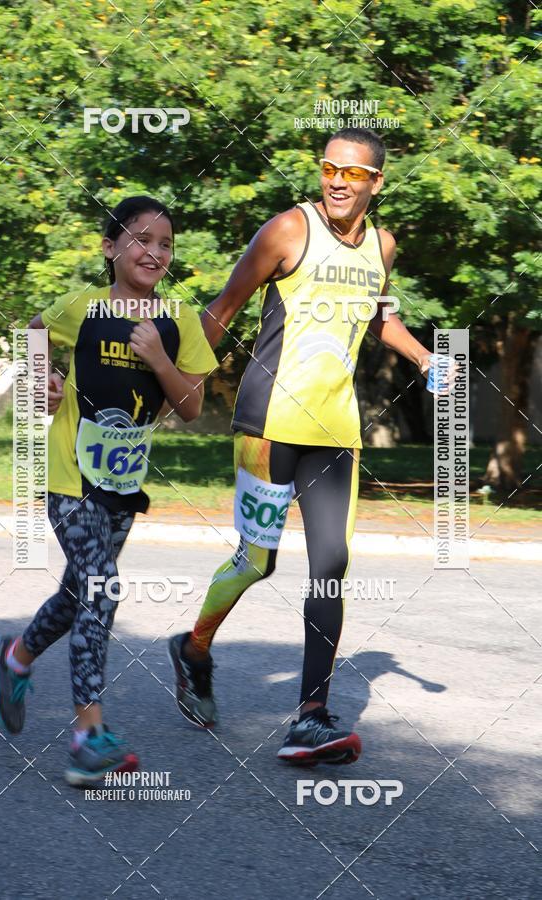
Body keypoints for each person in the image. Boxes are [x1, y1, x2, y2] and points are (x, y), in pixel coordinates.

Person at [168, 128, 434, 764]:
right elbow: (223, 307)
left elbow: (378, 316)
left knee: (332, 564)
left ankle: (310, 715)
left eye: (353, 173)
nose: (338, 180)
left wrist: (427, 357)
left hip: (336, 431)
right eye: (329, 168)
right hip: (266, 422)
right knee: (257, 562)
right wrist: (172, 381)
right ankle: (195, 647)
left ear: (376, 183)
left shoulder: (382, 245)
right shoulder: (288, 230)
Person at [0, 196, 218, 785]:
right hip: (69, 474)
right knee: (101, 586)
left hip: (123, 483)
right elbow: (31, 338)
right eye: (141, 239)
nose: (155, 252)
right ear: (110, 248)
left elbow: (191, 407)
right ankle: (89, 736)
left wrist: (160, 359)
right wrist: (47, 383)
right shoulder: (82, 308)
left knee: (77, 595)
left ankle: (14, 658)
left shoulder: (178, 318)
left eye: (165, 244)